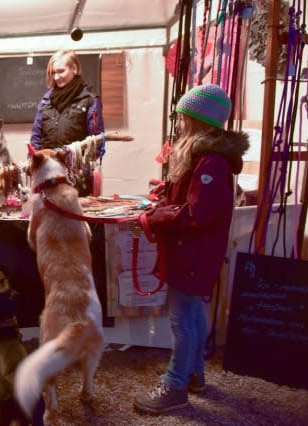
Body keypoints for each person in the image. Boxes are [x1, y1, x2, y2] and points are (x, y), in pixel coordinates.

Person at [133, 84, 249, 413]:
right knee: (193, 313)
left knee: (181, 320)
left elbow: (199, 213)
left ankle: (175, 386)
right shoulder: (205, 156)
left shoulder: (210, 161)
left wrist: (153, 217)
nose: (180, 123)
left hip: (192, 253)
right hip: (194, 252)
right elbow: (192, 200)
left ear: (198, 121)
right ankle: (193, 373)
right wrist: (167, 193)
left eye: (184, 117)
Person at [30, 49, 105, 195]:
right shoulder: (46, 101)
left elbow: (96, 142)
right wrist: (35, 163)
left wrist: (81, 167)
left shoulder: (90, 100)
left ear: (74, 69)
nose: (56, 77)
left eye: (60, 71)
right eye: (53, 73)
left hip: (77, 178)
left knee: (74, 215)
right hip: (47, 175)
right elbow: (36, 137)